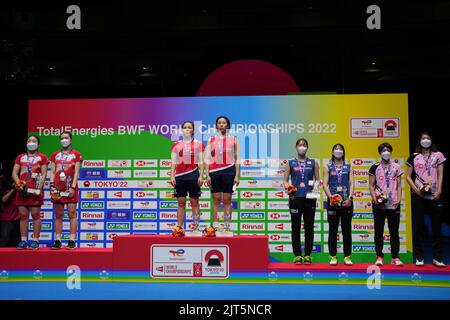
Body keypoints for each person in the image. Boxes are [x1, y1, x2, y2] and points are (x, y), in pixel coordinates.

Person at [406, 132, 446, 267]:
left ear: (431, 140)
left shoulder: (438, 155)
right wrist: (416, 190)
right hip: (419, 196)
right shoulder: (414, 157)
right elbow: (407, 177)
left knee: (437, 227)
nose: (426, 140)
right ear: (419, 141)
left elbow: (440, 174)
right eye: (423, 138)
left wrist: (439, 190)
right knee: (417, 227)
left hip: (435, 195)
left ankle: (437, 258)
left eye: (428, 138)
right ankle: (419, 257)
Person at [283, 138, 319, 265]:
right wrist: (289, 188)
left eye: (304, 145)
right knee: (295, 228)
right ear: (296, 147)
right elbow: (285, 180)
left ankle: (308, 255)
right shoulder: (290, 163)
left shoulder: (314, 162)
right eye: (300, 145)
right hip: (295, 199)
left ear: (307, 147)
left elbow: (317, 181)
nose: (302, 147)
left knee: (309, 227)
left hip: (309, 199)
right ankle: (297, 255)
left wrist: (315, 190)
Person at [369, 142, 404, 266]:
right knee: (378, 231)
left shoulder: (396, 167)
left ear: (391, 151)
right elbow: (371, 186)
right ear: (380, 153)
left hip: (393, 203)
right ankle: (379, 256)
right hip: (379, 204)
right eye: (383, 150)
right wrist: (375, 200)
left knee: (394, 231)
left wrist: (398, 200)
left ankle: (395, 257)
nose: (386, 152)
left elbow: (399, 185)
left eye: (388, 150)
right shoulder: (375, 167)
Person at [12, 135, 49, 250]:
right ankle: (23, 241)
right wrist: (19, 183)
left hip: (35, 191)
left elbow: (43, 175)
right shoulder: (20, 157)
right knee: (23, 216)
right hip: (22, 191)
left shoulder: (42, 157)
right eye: (29, 141)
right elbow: (14, 173)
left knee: (36, 216)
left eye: (33, 141)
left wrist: (39, 188)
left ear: (38, 144)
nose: (31, 142)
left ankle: (35, 241)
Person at [204, 116, 240, 233]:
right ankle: (215, 225)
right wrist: (207, 174)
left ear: (227, 125)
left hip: (229, 171)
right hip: (214, 172)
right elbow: (207, 158)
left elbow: (237, 158)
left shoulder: (234, 139)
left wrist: (237, 175)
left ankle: (227, 226)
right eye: (219, 123)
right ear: (216, 126)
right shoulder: (211, 140)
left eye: (224, 123)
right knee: (216, 199)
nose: (221, 125)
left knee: (227, 199)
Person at [170, 121, 205, 235]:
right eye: (185, 127)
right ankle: (179, 228)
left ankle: (196, 228)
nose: (187, 129)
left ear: (193, 130)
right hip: (180, 177)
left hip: (193, 175)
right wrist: (172, 176)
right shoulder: (177, 144)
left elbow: (201, 161)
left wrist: (201, 175)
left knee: (194, 202)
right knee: (181, 203)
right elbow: (173, 162)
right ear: (182, 130)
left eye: (189, 127)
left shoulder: (198, 144)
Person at [49, 132, 83, 250]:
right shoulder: (54, 155)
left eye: (66, 138)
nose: (64, 140)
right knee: (58, 215)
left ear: (71, 140)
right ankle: (58, 240)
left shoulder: (76, 154)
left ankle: (72, 240)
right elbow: (52, 172)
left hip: (70, 187)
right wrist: (52, 186)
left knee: (72, 214)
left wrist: (73, 187)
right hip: (57, 188)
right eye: (62, 138)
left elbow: (76, 172)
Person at [322, 144, 354, 265]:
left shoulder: (349, 166)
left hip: (347, 202)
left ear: (343, 152)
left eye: (340, 149)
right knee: (333, 230)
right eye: (336, 149)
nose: (338, 151)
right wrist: (331, 198)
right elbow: (325, 184)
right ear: (332, 151)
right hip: (333, 202)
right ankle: (333, 256)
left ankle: (347, 256)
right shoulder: (328, 166)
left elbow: (352, 183)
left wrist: (350, 198)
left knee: (346, 230)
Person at [0, 178, 20, 247]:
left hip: (17, 220)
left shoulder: (19, 192)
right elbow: (4, 199)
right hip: (6, 220)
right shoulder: (5, 191)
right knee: (5, 240)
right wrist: (13, 189)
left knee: (14, 241)